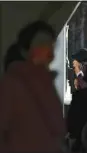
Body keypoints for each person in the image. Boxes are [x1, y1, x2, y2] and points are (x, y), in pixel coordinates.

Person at [0, 21, 66, 152]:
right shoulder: (12, 83)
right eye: (41, 44)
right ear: (25, 50)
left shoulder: (47, 83)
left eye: (51, 44)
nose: (48, 49)